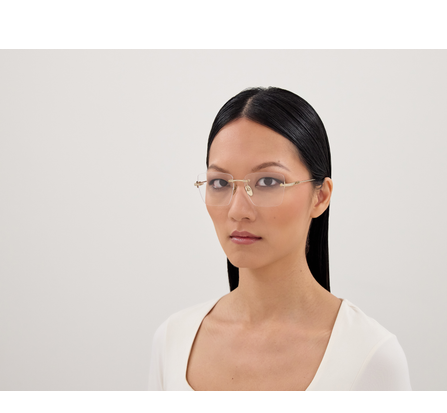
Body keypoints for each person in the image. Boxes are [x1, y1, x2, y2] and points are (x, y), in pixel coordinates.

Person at [148, 86, 411, 391]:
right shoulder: (173, 341)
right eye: (219, 183)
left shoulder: (370, 356)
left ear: (320, 196)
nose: (238, 210)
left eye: (268, 181)